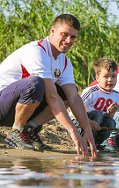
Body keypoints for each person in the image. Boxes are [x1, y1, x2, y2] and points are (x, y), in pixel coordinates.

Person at [0, 14, 97, 158]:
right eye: (64, 35)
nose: (68, 41)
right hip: (3, 105)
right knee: (35, 83)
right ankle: (17, 131)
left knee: (65, 93)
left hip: (18, 108)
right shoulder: (36, 52)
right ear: (52, 31)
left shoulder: (64, 62)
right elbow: (51, 97)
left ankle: (30, 129)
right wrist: (73, 132)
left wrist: (87, 130)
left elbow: (74, 97)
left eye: (73, 37)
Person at [77, 58, 119, 150]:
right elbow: (76, 108)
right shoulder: (91, 91)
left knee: (111, 122)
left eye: (113, 76)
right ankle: (85, 141)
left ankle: (96, 143)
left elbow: (109, 118)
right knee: (97, 114)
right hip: (80, 123)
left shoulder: (117, 95)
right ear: (97, 77)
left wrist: (110, 113)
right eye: (106, 76)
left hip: (97, 124)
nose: (110, 80)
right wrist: (89, 121)